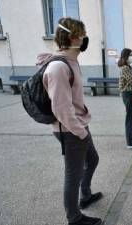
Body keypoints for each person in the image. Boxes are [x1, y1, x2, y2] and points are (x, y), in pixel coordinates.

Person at [41, 18, 102, 225]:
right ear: (72, 37)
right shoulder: (58, 67)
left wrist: (82, 127)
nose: (86, 38)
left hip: (78, 125)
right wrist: (80, 131)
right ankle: (74, 218)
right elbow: (60, 108)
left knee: (92, 160)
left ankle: (85, 195)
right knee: (72, 175)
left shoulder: (69, 60)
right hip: (70, 129)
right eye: (82, 34)